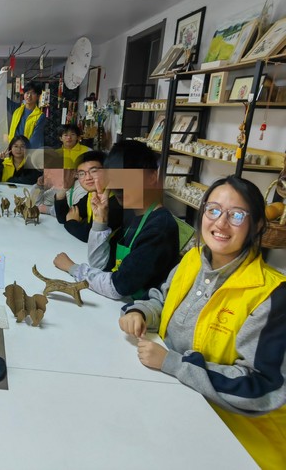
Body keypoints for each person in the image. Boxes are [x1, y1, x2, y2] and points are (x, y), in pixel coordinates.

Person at [119, 176, 286, 469]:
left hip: (237, 438)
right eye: (213, 210)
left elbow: (263, 387)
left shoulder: (272, 294)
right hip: (177, 403)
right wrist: (141, 312)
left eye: (236, 215)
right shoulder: (194, 259)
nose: (221, 223)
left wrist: (173, 363)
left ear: (258, 225)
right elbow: (163, 298)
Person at [53, 140, 179, 299]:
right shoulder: (132, 214)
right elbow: (100, 264)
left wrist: (73, 268)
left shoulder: (159, 228)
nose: (119, 188)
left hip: (137, 309)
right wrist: (100, 221)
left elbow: (118, 287)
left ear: (152, 177)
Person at [53, 150, 124, 242]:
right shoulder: (91, 194)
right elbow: (64, 217)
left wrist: (71, 222)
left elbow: (89, 235)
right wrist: (64, 189)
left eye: (94, 171)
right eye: (81, 174)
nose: (88, 178)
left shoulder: (118, 202)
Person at [8, 81, 45, 149]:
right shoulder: (17, 110)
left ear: (38, 96)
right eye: (27, 93)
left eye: (33, 93)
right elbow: (4, 100)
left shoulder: (40, 116)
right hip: (14, 149)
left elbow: (35, 138)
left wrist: (24, 150)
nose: (29, 96)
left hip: (28, 151)